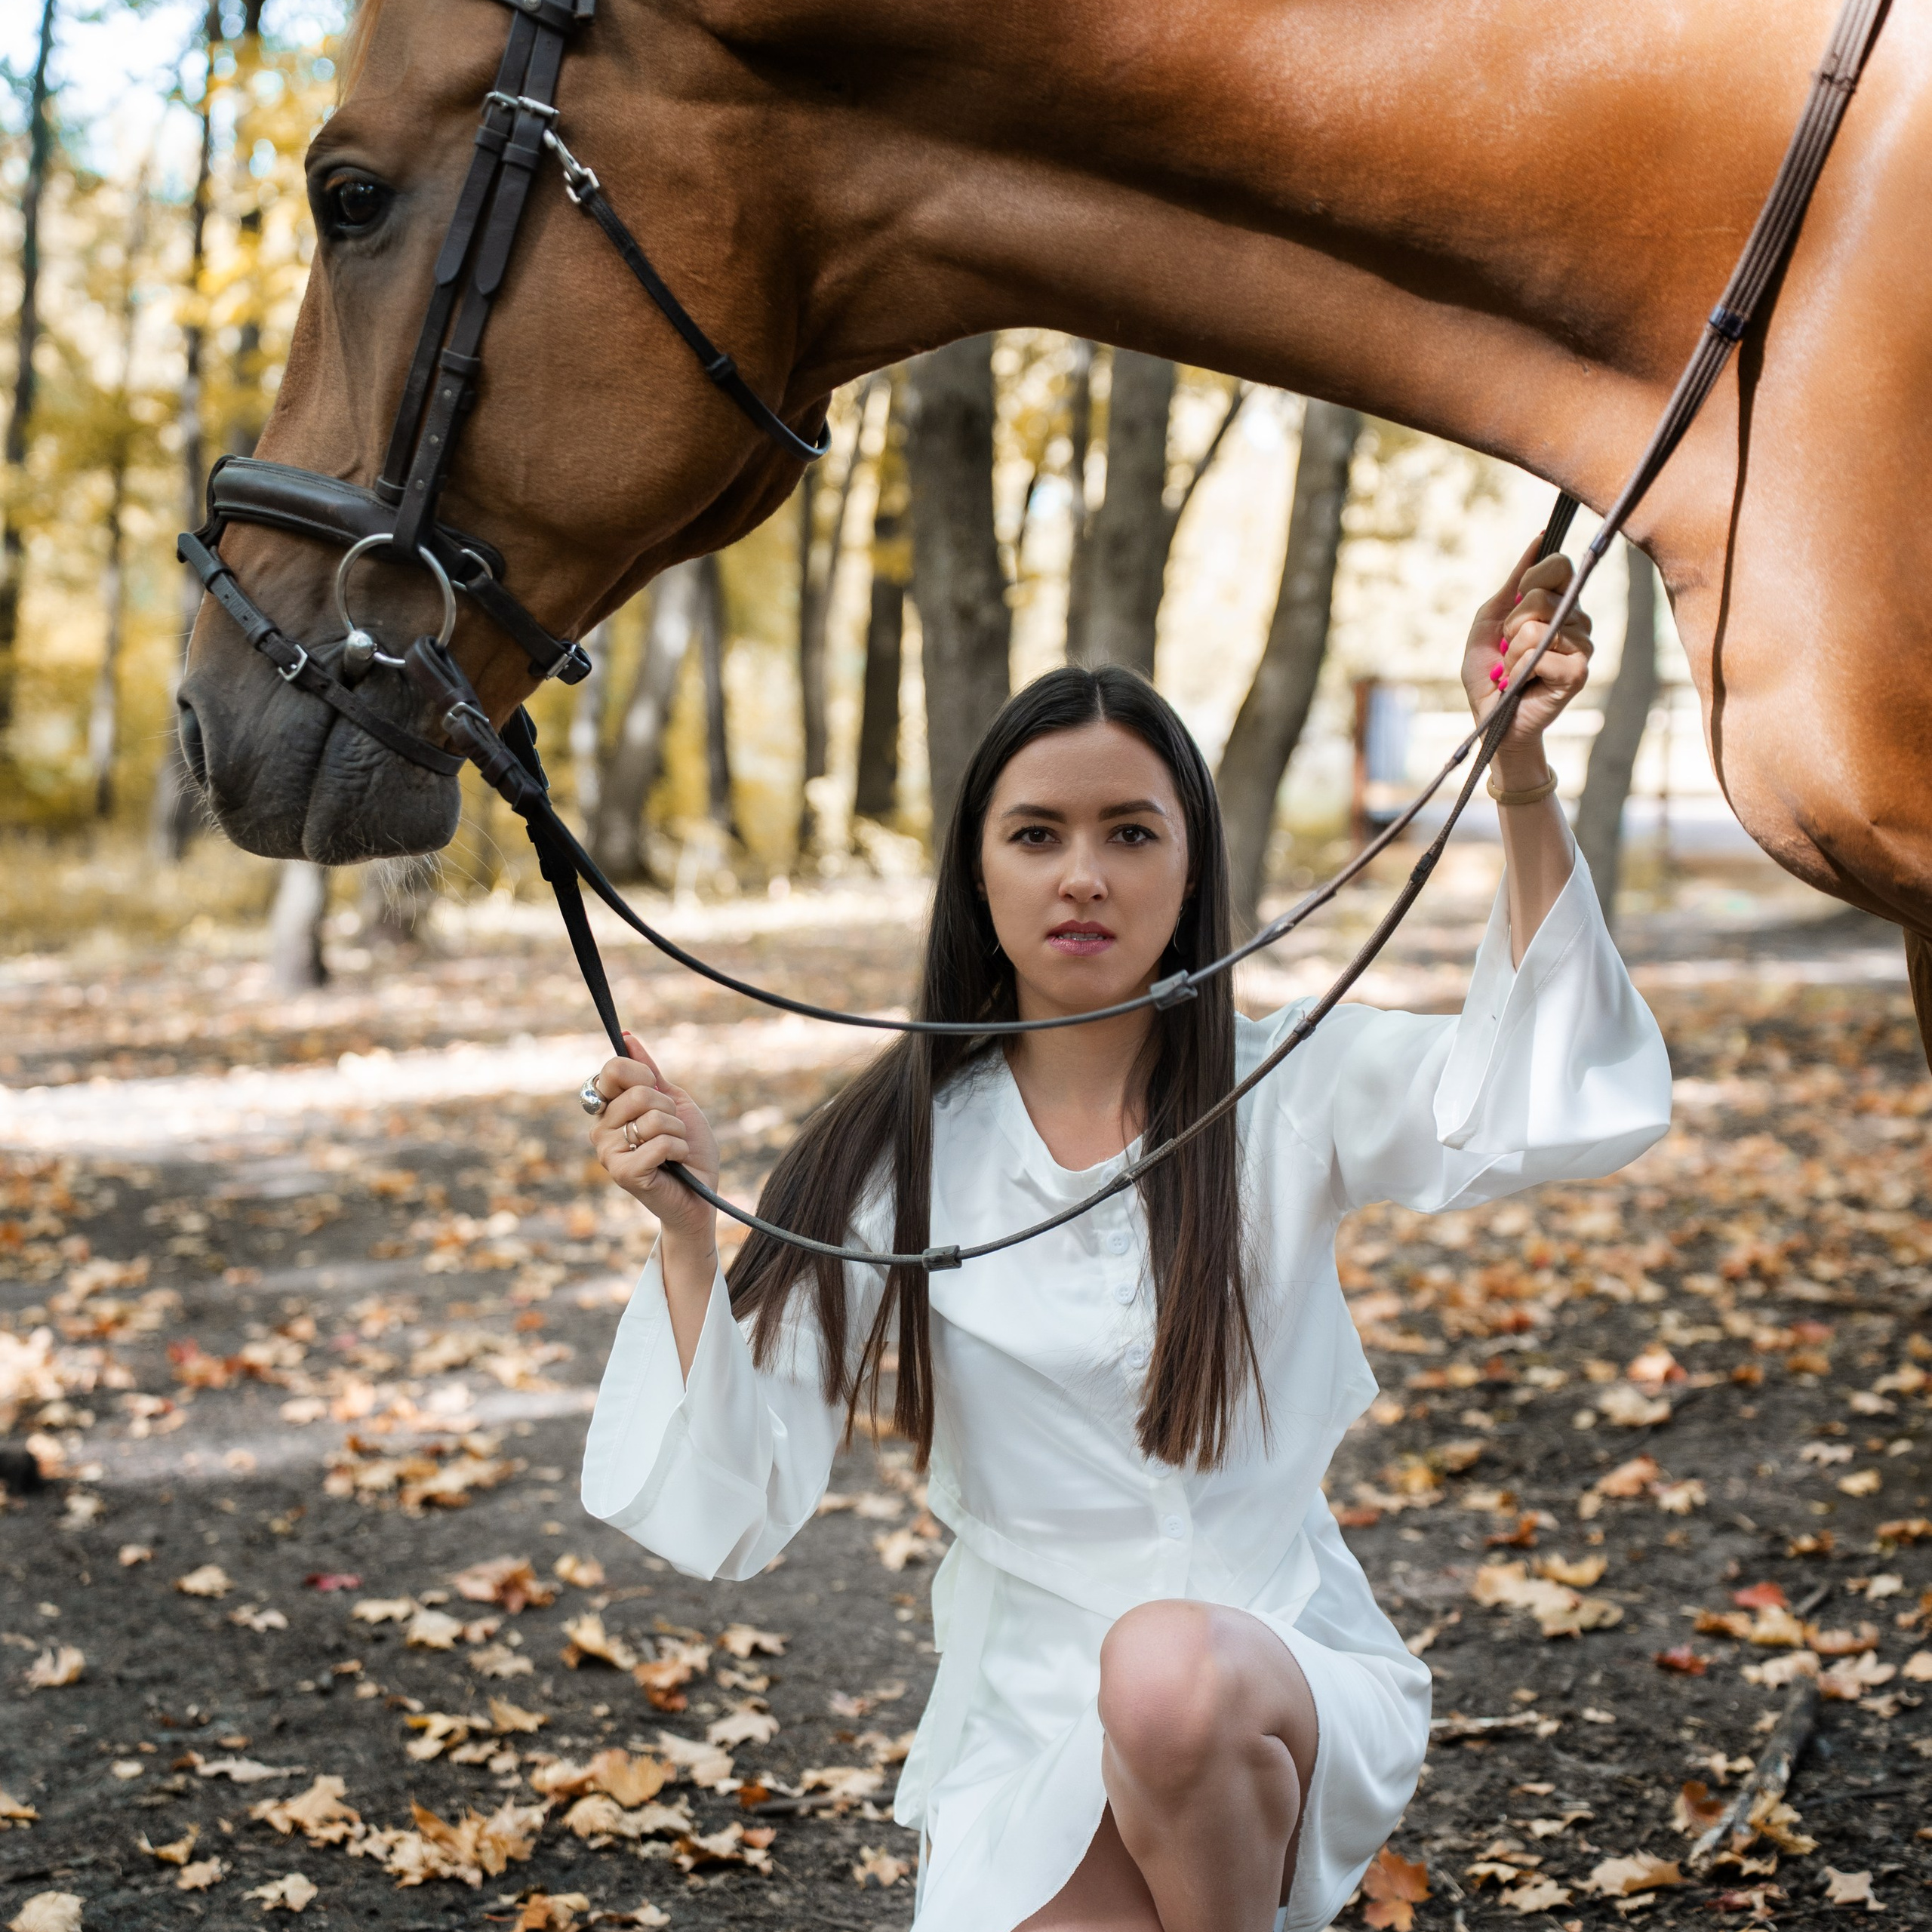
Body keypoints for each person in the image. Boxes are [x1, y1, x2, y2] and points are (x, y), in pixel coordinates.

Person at [577, 545, 1672, 1932]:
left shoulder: (1292, 1083)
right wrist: (685, 1241)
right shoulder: (890, 1156)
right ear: (979, 873)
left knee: (1167, 1676)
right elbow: (731, 1494)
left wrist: (1515, 772)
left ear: (1192, 861)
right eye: (1036, 834)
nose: (1082, 876)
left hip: (1269, 1676)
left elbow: (1548, 1099)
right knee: (1134, 1706)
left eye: (1130, 832)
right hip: (1027, 1725)